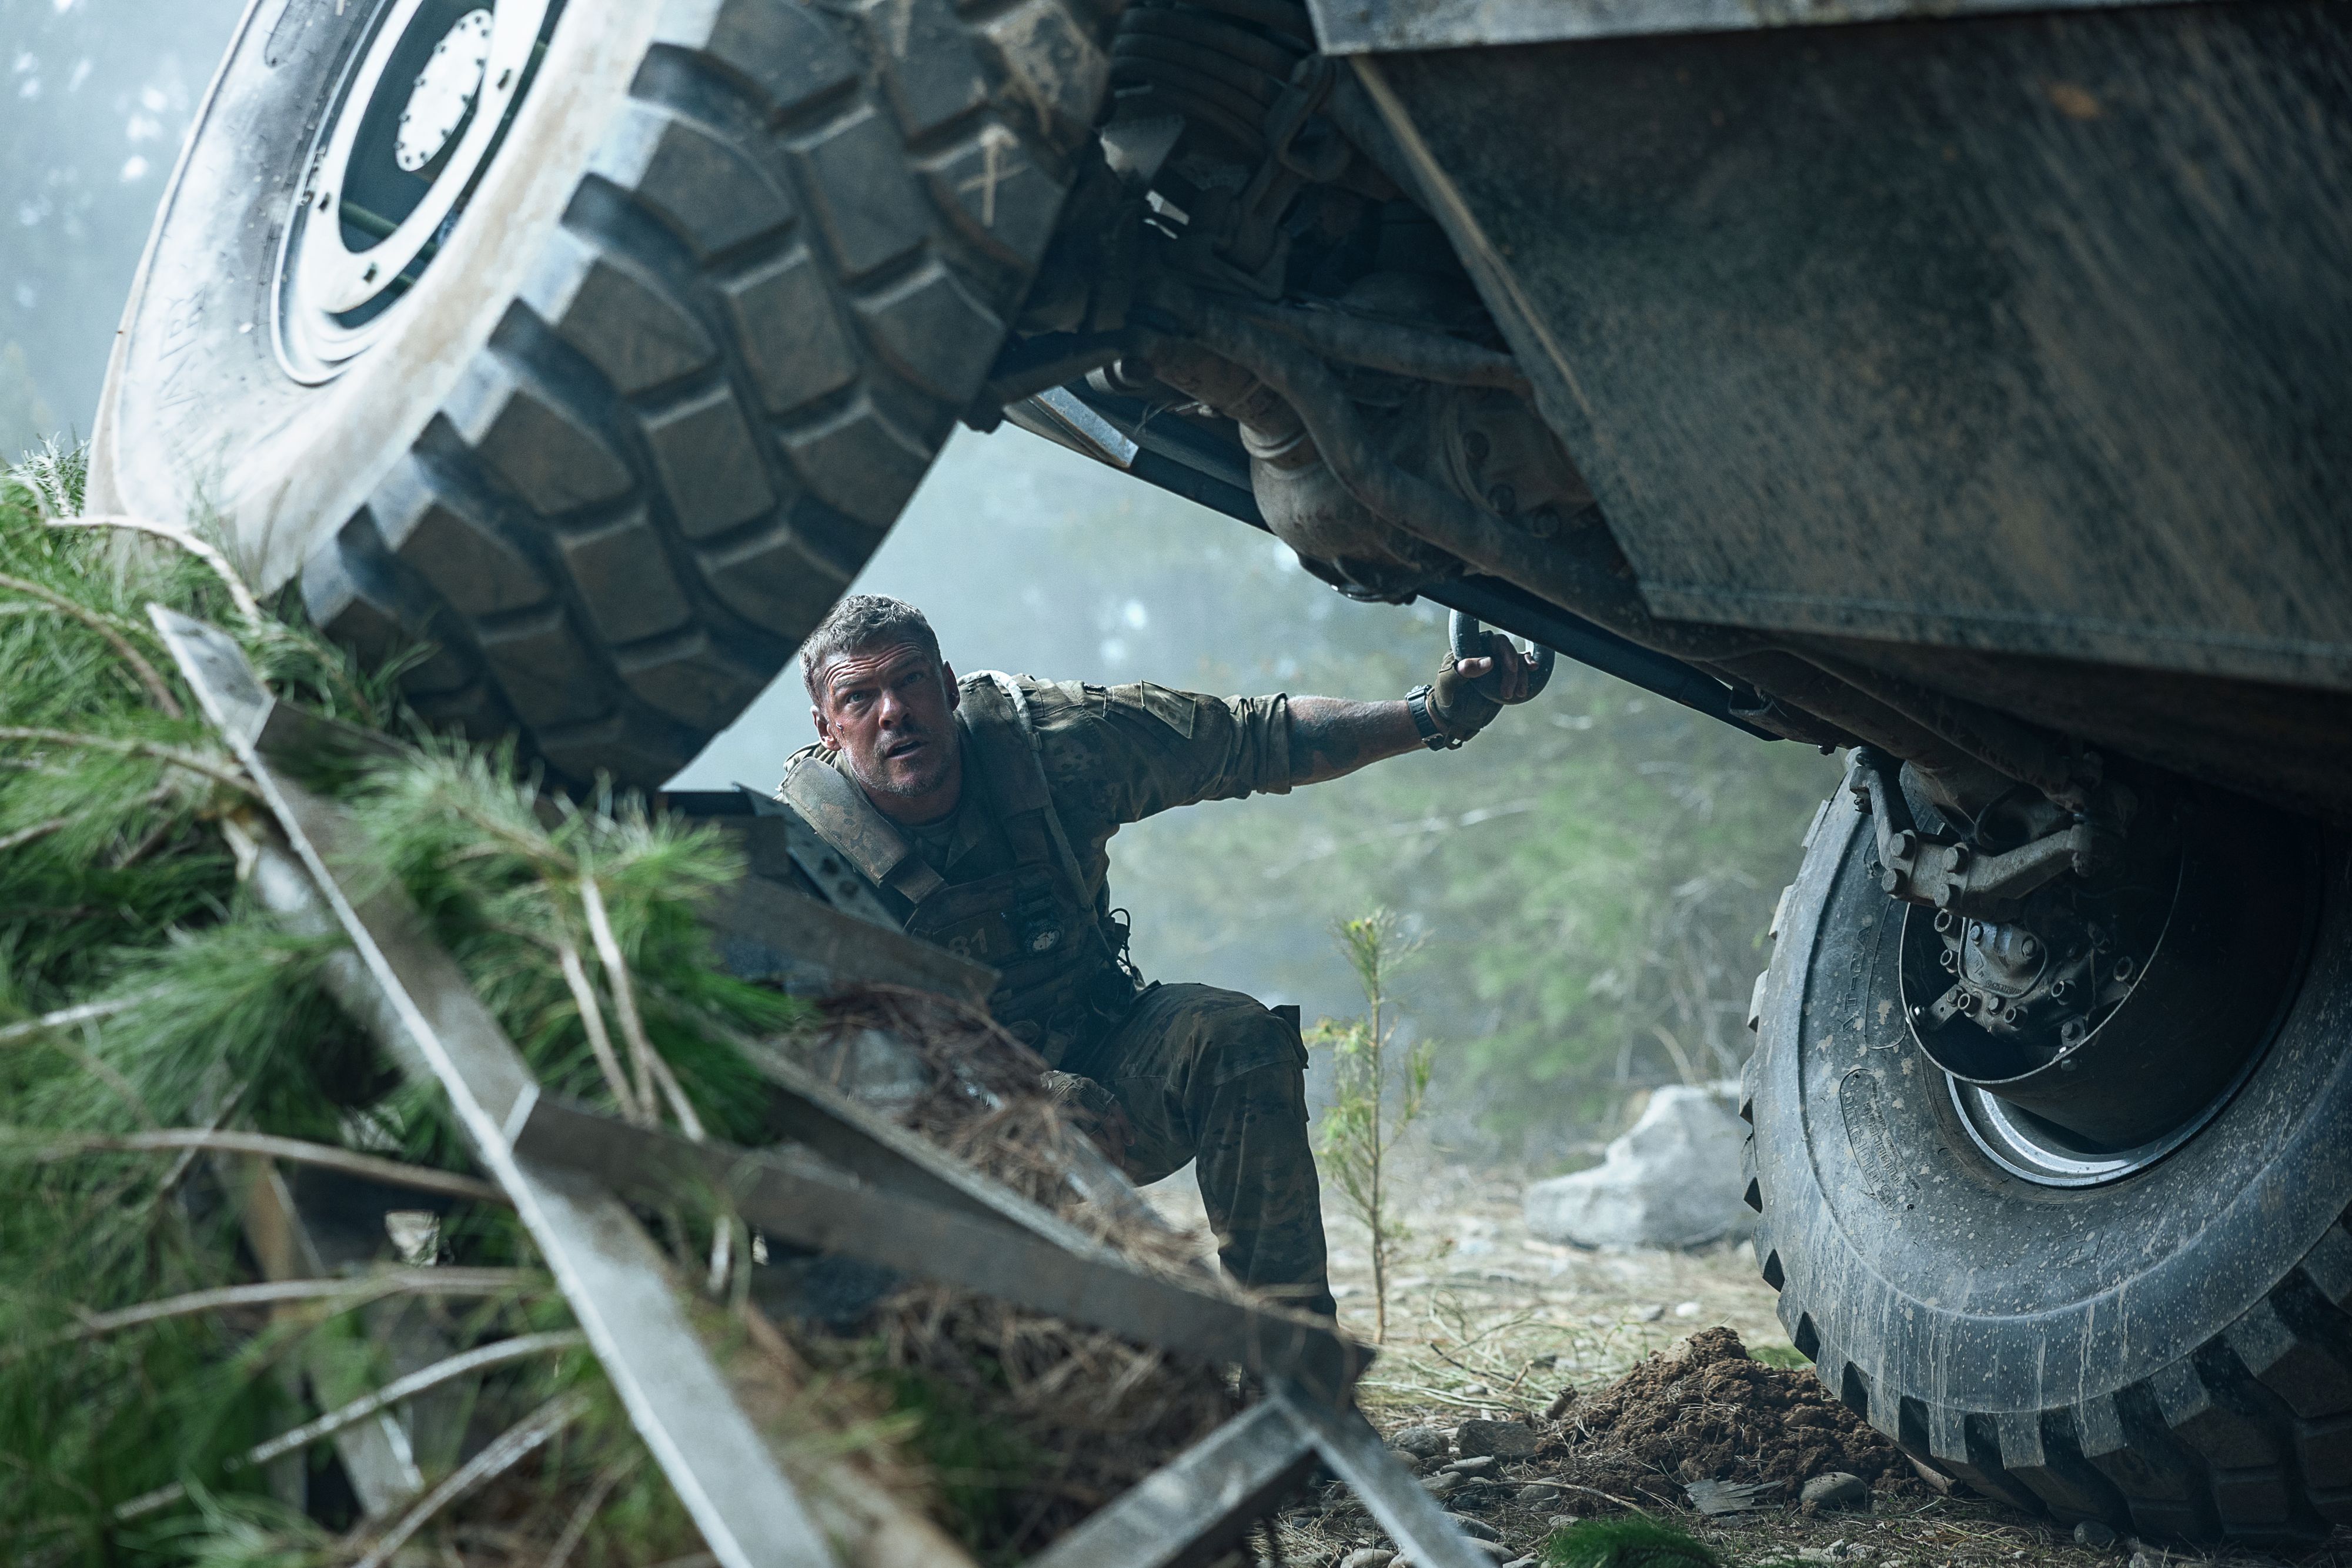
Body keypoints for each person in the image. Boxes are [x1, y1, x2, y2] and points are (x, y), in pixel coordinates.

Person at [776, 594, 1537, 1318]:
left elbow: (1257, 740)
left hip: (1108, 1071)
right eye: (859, 698)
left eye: (910, 681)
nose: (893, 712)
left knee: (1237, 1038)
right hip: (934, 1130)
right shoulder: (797, 855)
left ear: (946, 686)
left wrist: (1430, 715)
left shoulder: (1049, 742)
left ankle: (1294, 1361)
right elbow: (813, 1065)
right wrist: (1021, 1098)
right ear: (827, 727)